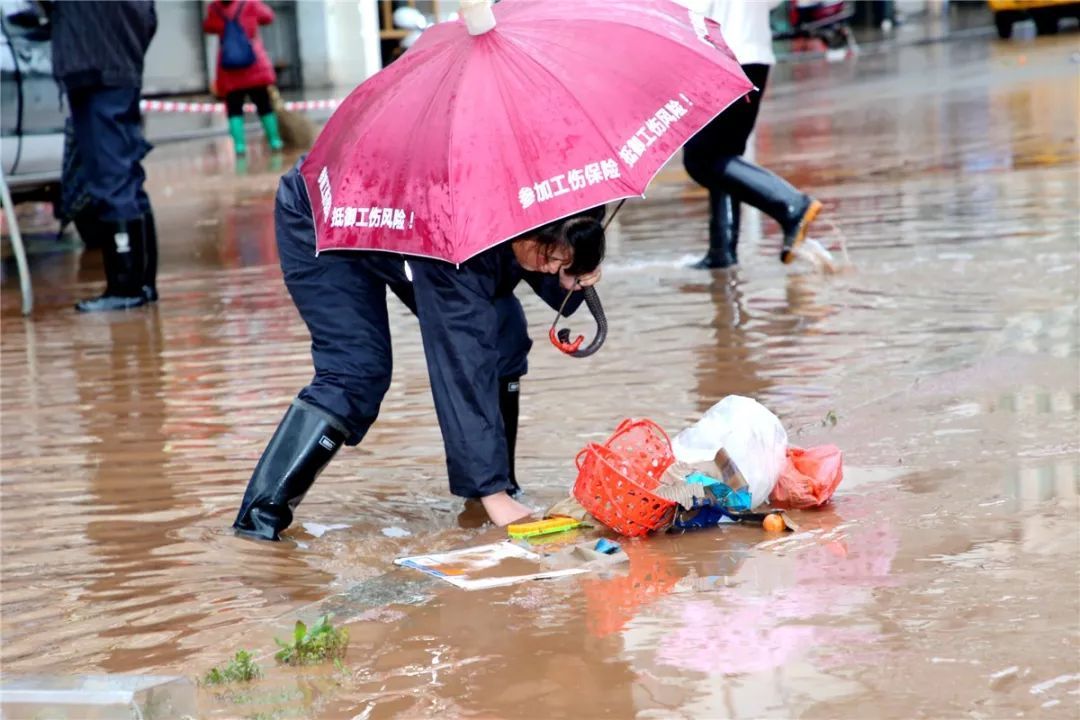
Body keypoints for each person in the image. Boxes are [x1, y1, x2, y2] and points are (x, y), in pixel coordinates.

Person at [232, 160, 606, 540]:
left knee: (503, 333)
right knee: (356, 371)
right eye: (549, 257)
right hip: (326, 216)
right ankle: (259, 522)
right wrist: (490, 492)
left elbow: (538, 260)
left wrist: (574, 274)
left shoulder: (537, 183)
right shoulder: (454, 225)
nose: (553, 265)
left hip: (406, 215)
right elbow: (462, 358)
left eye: (565, 257)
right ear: (523, 228)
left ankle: (500, 488)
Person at [682, 0, 822, 269]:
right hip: (755, 56)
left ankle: (792, 205)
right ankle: (721, 250)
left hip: (721, 58)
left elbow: (689, 9)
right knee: (725, 157)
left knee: (701, 158)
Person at [44, 0, 159, 311]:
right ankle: (141, 283)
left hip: (93, 64)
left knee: (111, 176)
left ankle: (125, 287)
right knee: (126, 173)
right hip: (118, 63)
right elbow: (149, 19)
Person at [202, 0, 283, 156]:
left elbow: (209, 27)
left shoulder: (214, 8)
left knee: (234, 108)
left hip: (229, 68)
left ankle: (240, 147)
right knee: (264, 104)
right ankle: (275, 141)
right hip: (254, 64)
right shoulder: (250, 3)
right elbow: (268, 17)